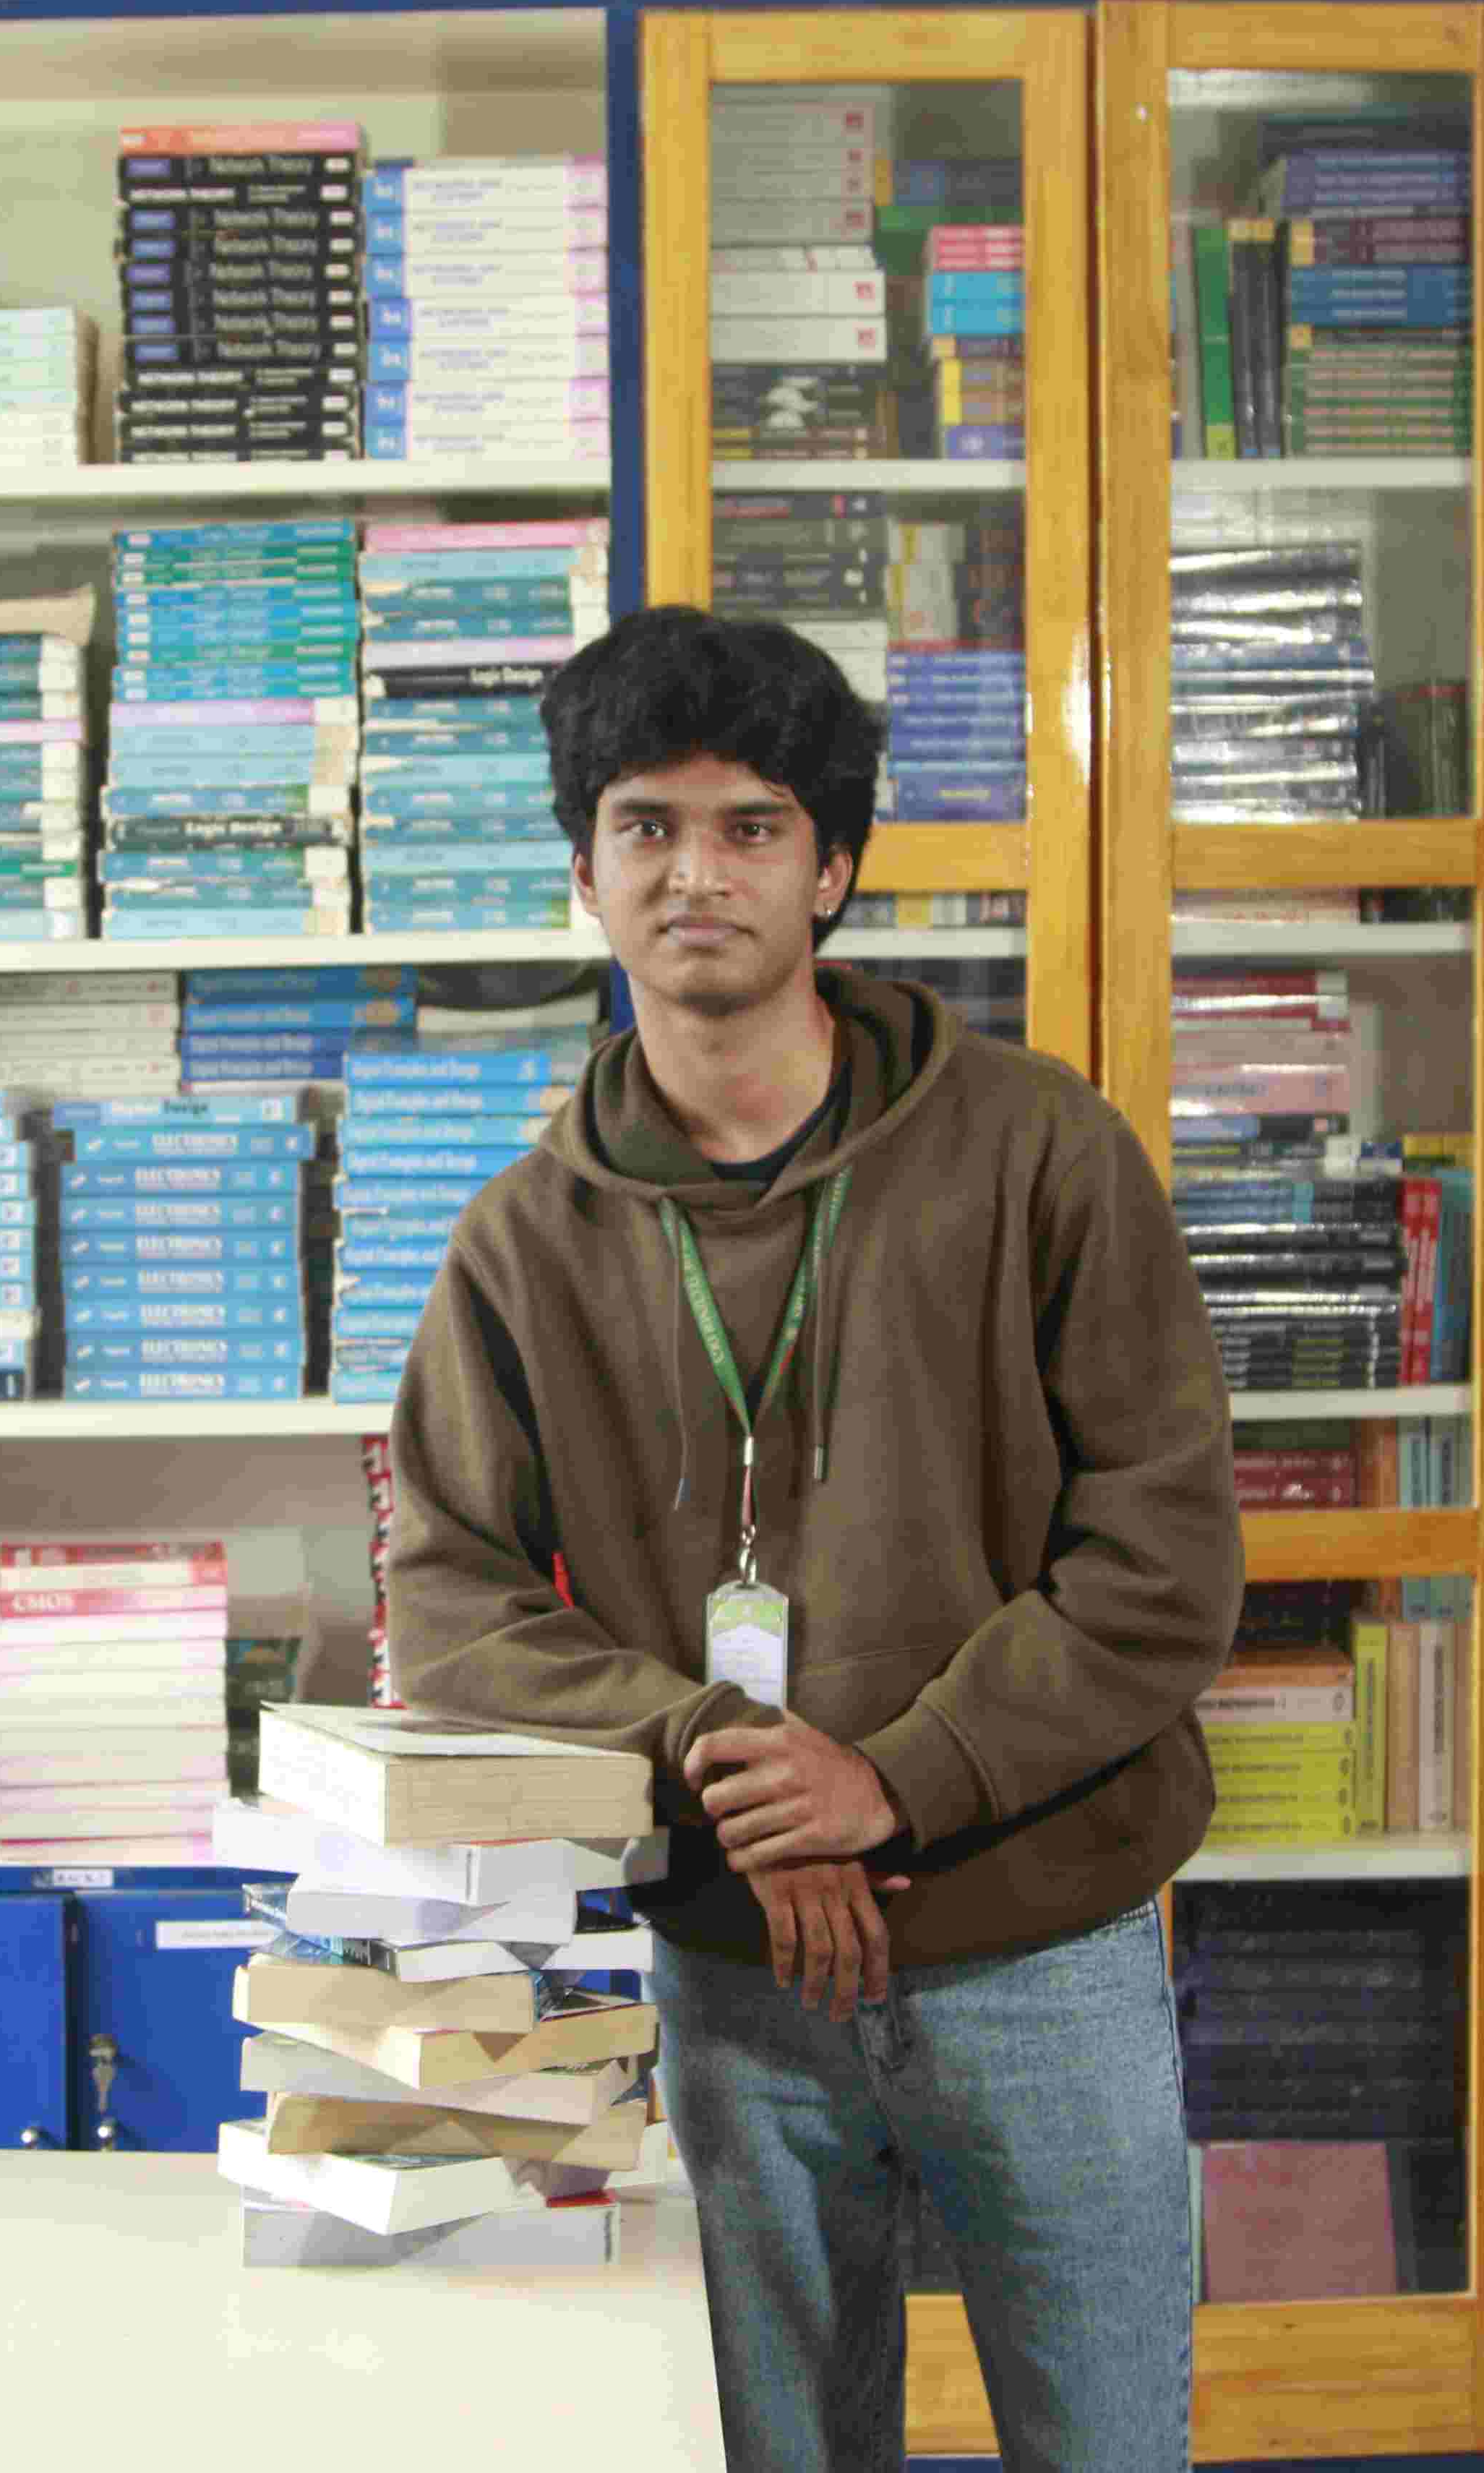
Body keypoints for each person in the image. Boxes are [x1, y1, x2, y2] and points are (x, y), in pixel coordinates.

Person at [384, 606, 1245, 2473]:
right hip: (736, 1971)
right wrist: (721, 1755)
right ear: (587, 871)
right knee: (782, 2457)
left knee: (1106, 2447)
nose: (696, 873)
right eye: (645, 824)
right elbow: (447, 1606)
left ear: (835, 869)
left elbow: (1163, 1558)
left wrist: (894, 1782)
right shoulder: (521, 1242)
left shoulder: (1041, 1152)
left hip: (1038, 1939)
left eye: (752, 826)